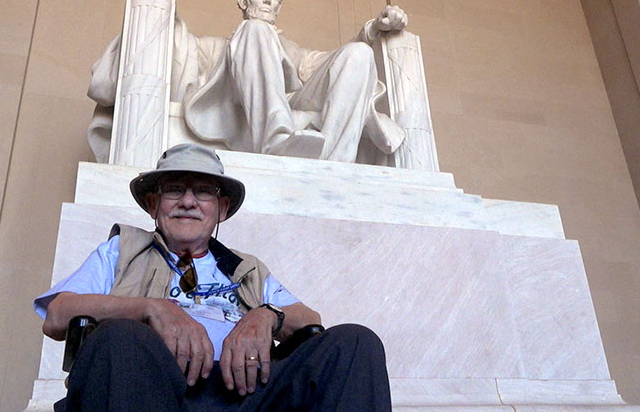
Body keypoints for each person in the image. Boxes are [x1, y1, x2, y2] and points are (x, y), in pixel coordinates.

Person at [34, 143, 391, 411]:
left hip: (249, 392)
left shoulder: (246, 267)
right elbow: (58, 315)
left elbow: (310, 322)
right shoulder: (120, 250)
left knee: (355, 343)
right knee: (120, 338)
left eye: (203, 191)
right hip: (153, 385)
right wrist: (151, 309)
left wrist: (267, 315)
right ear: (153, 203)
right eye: (175, 189)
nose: (188, 201)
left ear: (221, 208)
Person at [87, 0, 408, 164]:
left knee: (359, 55)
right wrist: (162, 4)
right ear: (244, 1)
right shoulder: (218, 47)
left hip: (297, 101)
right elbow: (177, 51)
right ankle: (277, 140)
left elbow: (336, 63)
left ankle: (333, 165)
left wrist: (373, 30)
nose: (267, 0)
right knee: (255, 30)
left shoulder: (296, 53)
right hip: (235, 106)